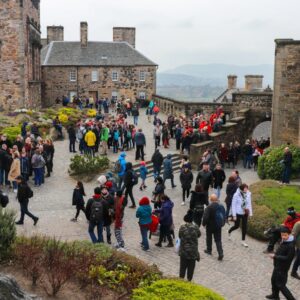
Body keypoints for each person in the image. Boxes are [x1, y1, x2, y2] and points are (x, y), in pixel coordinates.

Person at [266, 226, 296, 300]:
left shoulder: (291, 246)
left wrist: (275, 256)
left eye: (285, 235)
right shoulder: (284, 241)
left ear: (289, 234)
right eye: (282, 235)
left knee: (281, 285)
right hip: (277, 266)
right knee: (273, 280)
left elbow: (288, 258)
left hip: (282, 268)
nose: (283, 237)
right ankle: (275, 295)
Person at [178, 210, 201, 281]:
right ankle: (189, 280)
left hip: (184, 251)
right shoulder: (196, 227)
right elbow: (199, 235)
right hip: (193, 251)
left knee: (182, 267)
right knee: (191, 268)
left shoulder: (182, 227)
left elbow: (179, 236)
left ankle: (181, 280)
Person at [202, 194, 225, 261]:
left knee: (209, 238)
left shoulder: (209, 207)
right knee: (218, 240)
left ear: (211, 200)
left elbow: (205, 217)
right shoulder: (221, 206)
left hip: (210, 226)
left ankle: (209, 250)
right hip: (218, 226)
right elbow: (224, 215)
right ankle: (220, 253)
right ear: (217, 199)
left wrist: (203, 224)